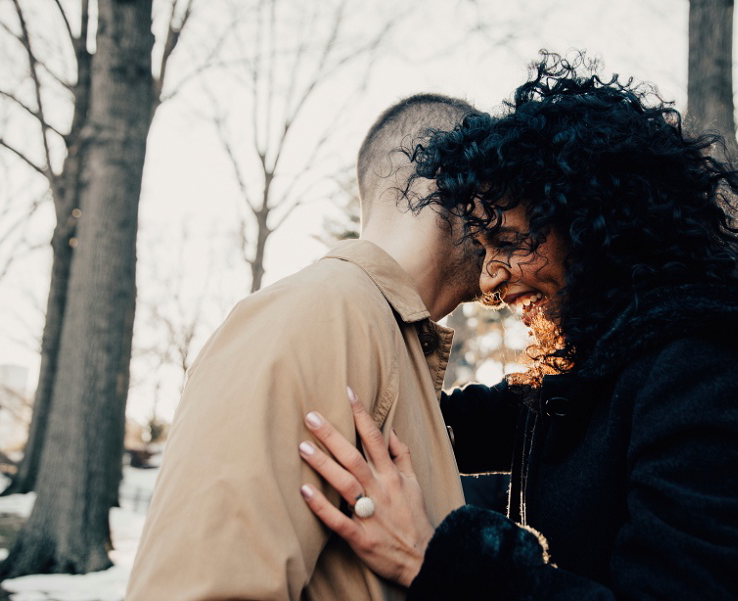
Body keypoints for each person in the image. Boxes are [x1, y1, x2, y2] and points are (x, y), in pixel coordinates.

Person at [299, 53, 738, 600]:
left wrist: (435, 559)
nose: (491, 282)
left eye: (510, 244)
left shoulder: (713, 379)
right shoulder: (610, 368)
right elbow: (472, 421)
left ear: (596, 227)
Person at [125, 93, 483, 601]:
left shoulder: (385, 334)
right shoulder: (323, 312)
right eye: (491, 194)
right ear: (443, 181)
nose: (504, 223)